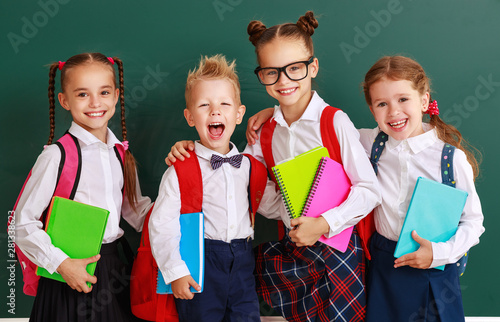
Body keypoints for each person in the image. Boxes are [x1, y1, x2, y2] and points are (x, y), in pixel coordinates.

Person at [166, 12, 380, 322]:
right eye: (271, 72)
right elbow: (254, 191)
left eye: (295, 69)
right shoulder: (264, 133)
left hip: (339, 251)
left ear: (313, 67)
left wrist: (322, 224)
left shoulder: (334, 121)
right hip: (296, 250)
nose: (284, 81)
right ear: (261, 75)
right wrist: (192, 150)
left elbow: (369, 191)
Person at [14, 52, 152, 321]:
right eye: (82, 94)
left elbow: (132, 210)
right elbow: (22, 224)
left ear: (116, 95)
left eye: (103, 92)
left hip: (113, 267)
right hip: (69, 271)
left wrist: (175, 215)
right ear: (64, 100)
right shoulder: (56, 156)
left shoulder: (119, 153)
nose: (95, 103)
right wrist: (62, 265)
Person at [149, 54, 282, 322]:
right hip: (200, 264)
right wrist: (175, 271)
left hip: (243, 261)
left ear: (239, 113)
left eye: (224, 103)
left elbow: (271, 205)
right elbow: (162, 225)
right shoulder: (180, 168)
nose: (215, 111)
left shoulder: (250, 167)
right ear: (189, 117)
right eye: (204, 105)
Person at [359, 55, 485, 322]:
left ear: (425, 101)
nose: (393, 112)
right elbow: (325, 126)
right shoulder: (369, 143)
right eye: (382, 104)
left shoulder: (449, 159)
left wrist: (438, 253)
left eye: (403, 99)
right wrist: (272, 112)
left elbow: (473, 222)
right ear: (373, 110)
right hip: (384, 265)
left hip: (434, 270)